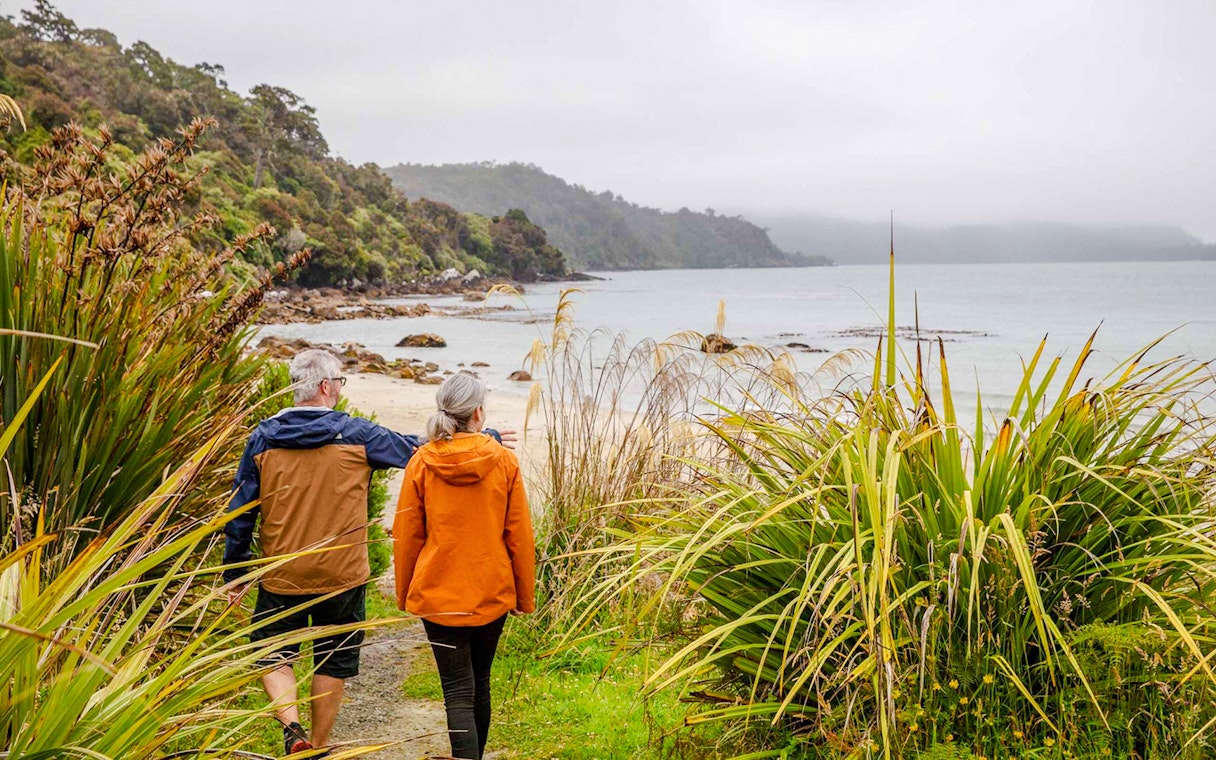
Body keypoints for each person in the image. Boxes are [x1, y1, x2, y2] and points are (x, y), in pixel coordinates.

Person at [223, 349, 512, 755]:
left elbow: (240, 510)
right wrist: (485, 438)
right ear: (326, 387)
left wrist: (234, 572)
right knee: (333, 661)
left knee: (273, 653)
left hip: (282, 572)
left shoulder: (263, 438)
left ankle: (292, 728)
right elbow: (419, 448)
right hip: (343, 575)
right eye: (340, 382)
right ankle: (319, 745)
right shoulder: (357, 434)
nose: (340, 389)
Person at [393, 372, 536, 760]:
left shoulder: (421, 461)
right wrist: (525, 596)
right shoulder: (504, 460)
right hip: (491, 588)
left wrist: (405, 591)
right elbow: (519, 534)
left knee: (457, 688)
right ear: (478, 412)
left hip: (438, 592)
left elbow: (408, 533)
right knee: (480, 683)